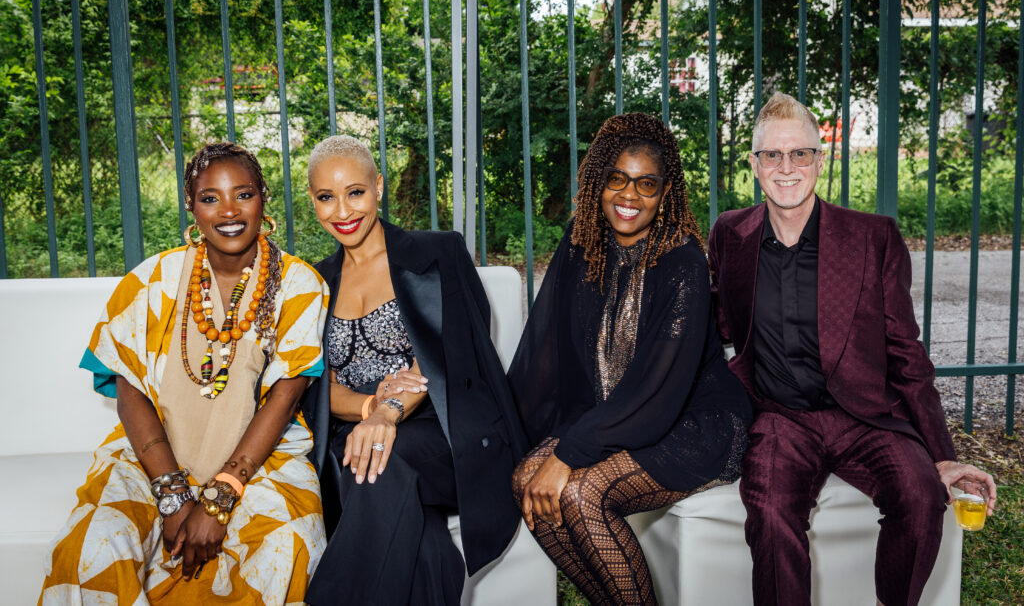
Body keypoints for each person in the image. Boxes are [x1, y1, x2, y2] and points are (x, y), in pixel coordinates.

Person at [708, 91, 998, 606]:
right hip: (780, 417)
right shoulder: (731, 234)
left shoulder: (873, 237)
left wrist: (942, 456)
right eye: (772, 154)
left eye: (800, 153)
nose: (786, 167)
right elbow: (717, 326)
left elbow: (906, 351)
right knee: (772, 513)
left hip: (864, 414)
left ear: (820, 160)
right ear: (754, 165)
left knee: (919, 495)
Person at [39, 143, 330, 605]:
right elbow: (128, 388)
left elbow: (285, 397)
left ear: (264, 200)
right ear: (191, 207)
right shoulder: (153, 277)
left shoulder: (299, 284)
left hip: (260, 464)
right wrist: (172, 492)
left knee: (286, 546)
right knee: (91, 547)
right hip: (150, 459)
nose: (229, 211)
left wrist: (221, 496)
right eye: (210, 198)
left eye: (244, 194)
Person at [508, 113, 752, 605]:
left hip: (691, 422)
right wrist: (509, 433)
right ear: (600, 181)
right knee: (523, 479)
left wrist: (569, 453)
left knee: (581, 493)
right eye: (617, 179)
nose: (629, 196)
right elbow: (547, 348)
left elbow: (656, 393)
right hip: (615, 418)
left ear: (665, 195)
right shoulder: (583, 240)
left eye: (646, 184)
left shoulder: (682, 261)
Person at [300, 135, 526, 606]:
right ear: (313, 201)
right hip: (356, 432)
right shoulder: (314, 281)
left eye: (355, 192)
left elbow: (453, 352)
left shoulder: (438, 252)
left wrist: (388, 412)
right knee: (417, 536)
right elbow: (317, 384)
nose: (343, 210)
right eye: (326, 197)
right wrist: (368, 407)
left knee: (375, 460)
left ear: (378, 187)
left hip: (443, 428)